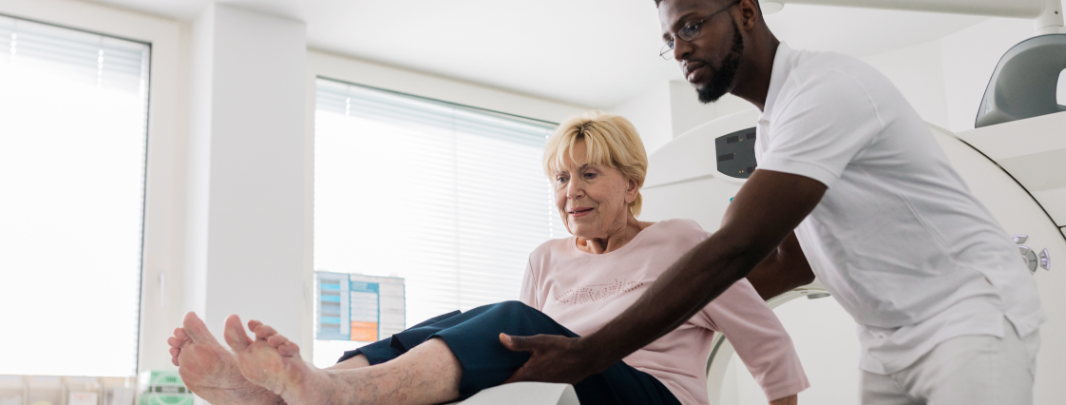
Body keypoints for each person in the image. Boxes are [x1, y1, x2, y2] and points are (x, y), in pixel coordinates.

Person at [501, 1, 1045, 404]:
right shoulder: (771, 131)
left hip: (964, 313)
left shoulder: (823, 91)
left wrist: (593, 352)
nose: (681, 49)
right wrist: (684, 311)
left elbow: (737, 246)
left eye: (692, 26)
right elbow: (793, 261)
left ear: (745, 12)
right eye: (670, 39)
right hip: (884, 338)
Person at [166, 111, 809, 405]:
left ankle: (331, 395)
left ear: (632, 184)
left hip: (648, 398)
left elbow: (765, 339)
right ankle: (290, 391)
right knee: (456, 319)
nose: (571, 193)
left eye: (589, 175)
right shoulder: (547, 256)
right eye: (560, 179)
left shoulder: (683, 240)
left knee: (503, 316)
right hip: (566, 388)